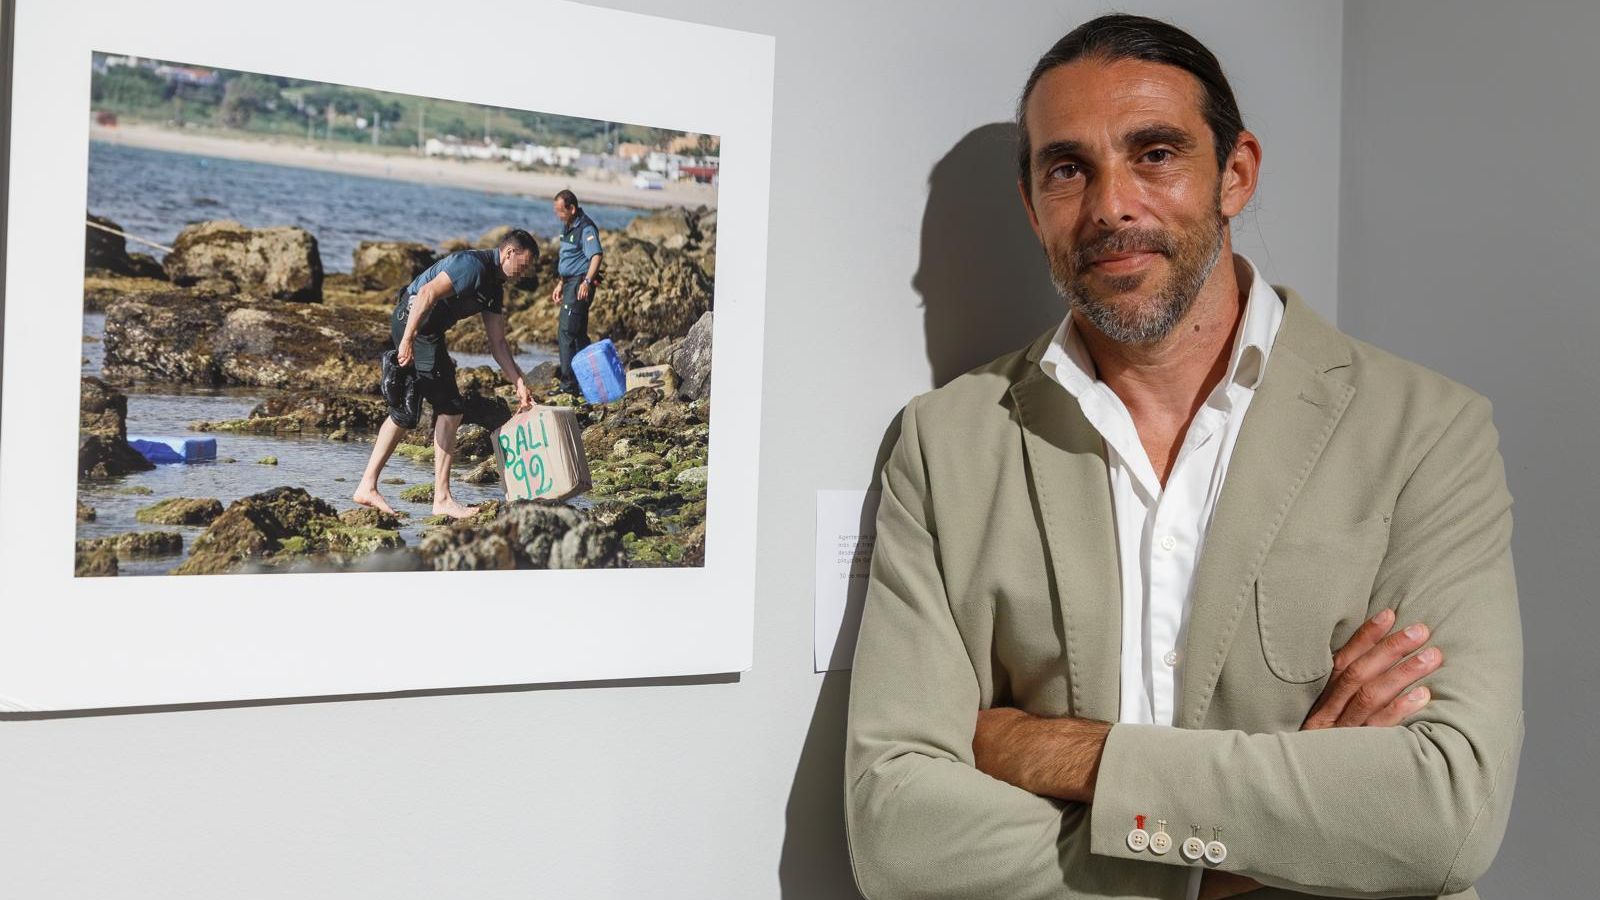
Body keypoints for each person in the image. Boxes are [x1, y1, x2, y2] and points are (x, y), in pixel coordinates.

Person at [844, 14, 1522, 900]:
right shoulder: (946, 445)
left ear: (1234, 173)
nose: (1112, 205)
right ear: (1032, 204)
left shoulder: (1428, 431)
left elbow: (1446, 812)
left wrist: (1063, 754)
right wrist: (1250, 859)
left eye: (1155, 153)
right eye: (1067, 168)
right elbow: (896, 832)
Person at [353, 230, 539, 519]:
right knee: (450, 410)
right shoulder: (472, 266)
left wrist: (518, 381)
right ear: (509, 253)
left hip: (423, 331)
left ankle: (367, 486)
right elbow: (425, 293)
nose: (524, 273)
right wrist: (407, 340)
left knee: (404, 413)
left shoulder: (494, 288)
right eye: (524, 265)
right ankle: (441, 498)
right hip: (416, 325)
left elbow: (498, 343)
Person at [550, 189, 604, 396]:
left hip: (581, 283)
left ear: (572, 208)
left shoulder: (586, 228)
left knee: (566, 332)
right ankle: (589, 381)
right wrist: (560, 283)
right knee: (578, 334)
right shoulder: (568, 226)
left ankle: (568, 385)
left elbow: (596, 256)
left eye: (559, 210)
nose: (557, 214)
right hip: (569, 282)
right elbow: (568, 259)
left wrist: (587, 282)